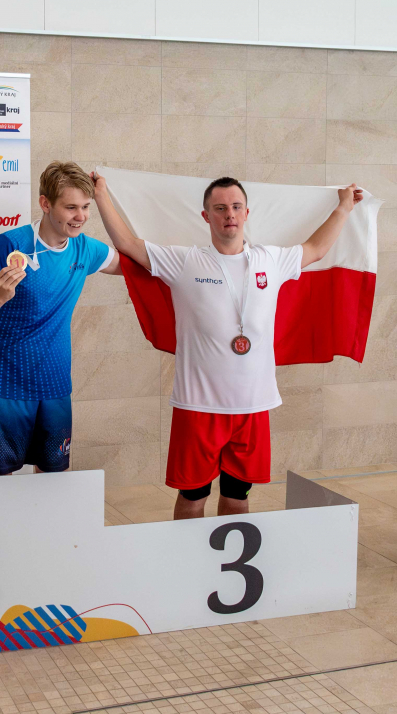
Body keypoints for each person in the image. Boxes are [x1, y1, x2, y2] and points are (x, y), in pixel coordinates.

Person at [93, 173, 363, 519]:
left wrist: (343, 208)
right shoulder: (185, 261)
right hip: (198, 406)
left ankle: (226, 557)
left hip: (252, 405)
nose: (229, 214)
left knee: (237, 498)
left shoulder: (270, 260)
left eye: (236, 207)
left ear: (247, 213)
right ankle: (189, 552)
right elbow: (128, 244)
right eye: (220, 208)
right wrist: (101, 195)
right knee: (193, 498)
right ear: (206, 216)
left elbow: (316, 249)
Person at [0, 161, 120, 476]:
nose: (80, 216)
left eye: (86, 207)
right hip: (3, 382)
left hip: (54, 383)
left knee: (52, 478)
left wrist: (103, 199)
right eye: (71, 207)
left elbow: (137, 263)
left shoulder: (85, 249)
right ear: (45, 204)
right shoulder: (11, 244)